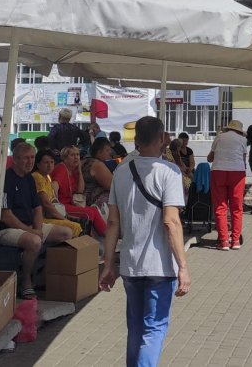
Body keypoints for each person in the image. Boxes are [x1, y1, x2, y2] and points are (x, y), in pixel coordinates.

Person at [100, 115, 191, 367]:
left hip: (130, 264)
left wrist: (108, 264)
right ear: (162, 139)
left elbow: (112, 223)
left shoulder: (120, 171)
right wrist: (183, 266)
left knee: (136, 329)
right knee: (154, 329)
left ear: (136, 140)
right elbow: (171, 222)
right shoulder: (169, 172)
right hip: (160, 265)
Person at [0, 143, 73, 300]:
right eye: (26, 158)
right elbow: (6, 216)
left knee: (66, 233)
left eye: (32, 157)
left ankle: (42, 275)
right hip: (5, 229)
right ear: (15, 159)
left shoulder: (29, 179)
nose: (30, 162)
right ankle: (26, 281)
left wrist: (37, 227)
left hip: (29, 227)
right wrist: (31, 231)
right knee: (35, 241)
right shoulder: (5, 180)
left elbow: (37, 208)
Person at [208, 120, 248, 250]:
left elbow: (210, 158)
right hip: (237, 173)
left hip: (219, 171)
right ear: (239, 130)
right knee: (237, 207)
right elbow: (243, 159)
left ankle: (223, 241)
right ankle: (235, 240)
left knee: (220, 207)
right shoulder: (243, 140)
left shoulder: (219, 137)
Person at [52, 145, 107, 236]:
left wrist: (80, 171)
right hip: (62, 205)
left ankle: (108, 235)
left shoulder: (72, 170)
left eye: (77, 154)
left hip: (70, 203)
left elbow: (80, 191)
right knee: (88, 213)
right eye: (72, 155)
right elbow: (54, 186)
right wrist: (55, 203)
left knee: (93, 210)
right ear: (65, 158)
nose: (76, 157)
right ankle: (87, 241)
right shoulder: (61, 169)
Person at [32, 151, 84, 237]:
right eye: (46, 162)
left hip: (52, 214)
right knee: (75, 226)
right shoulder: (37, 176)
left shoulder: (47, 177)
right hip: (42, 218)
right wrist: (63, 218)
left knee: (80, 221)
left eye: (52, 162)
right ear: (38, 164)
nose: (50, 165)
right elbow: (46, 203)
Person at [82, 139, 115, 213]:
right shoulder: (96, 164)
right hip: (93, 200)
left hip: (84, 197)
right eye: (107, 150)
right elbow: (112, 186)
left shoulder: (84, 160)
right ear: (99, 152)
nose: (110, 153)